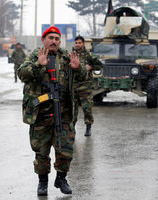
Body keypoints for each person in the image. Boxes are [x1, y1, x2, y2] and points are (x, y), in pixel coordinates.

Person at [18, 26, 87, 196]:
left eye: (57, 38)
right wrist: (38, 65)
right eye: (51, 38)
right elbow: (22, 74)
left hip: (63, 113)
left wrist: (78, 68)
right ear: (44, 40)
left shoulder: (66, 57)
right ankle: (43, 182)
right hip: (40, 113)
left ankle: (61, 178)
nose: (54, 41)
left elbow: (83, 75)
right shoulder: (36, 55)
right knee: (41, 151)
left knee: (65, 148)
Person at [73, 35, 103, 136]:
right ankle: (72, 127)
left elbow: (100, 64)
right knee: (73, 108)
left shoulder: (89, 55)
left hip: (85, 85)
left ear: (83, 43)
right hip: (73, 85)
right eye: (76, 43)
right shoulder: (71, 55)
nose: (77, 45)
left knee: (87, 108)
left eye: (79, 43)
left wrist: (91, 67)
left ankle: (88, 127)